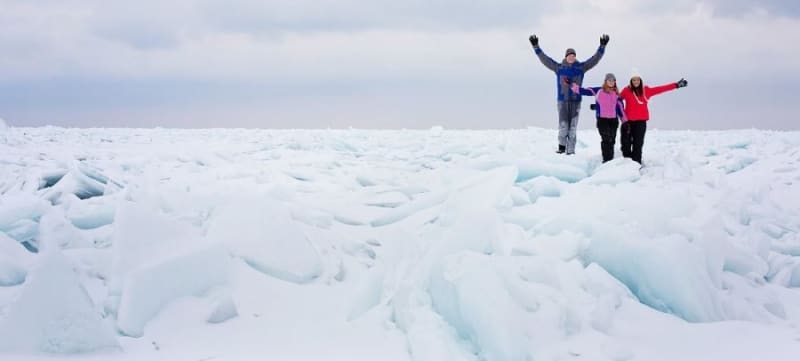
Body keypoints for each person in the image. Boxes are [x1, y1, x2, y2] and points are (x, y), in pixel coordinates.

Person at [529, 34, 610, 155]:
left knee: (572, 128)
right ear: (566, 57)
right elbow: (545, 59)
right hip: (562, 101)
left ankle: (571, 151)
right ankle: (561, 148)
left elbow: (594, 59)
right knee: (563, 126)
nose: (571, 57)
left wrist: (602, 47)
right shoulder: (559, 68)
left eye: (573, 55)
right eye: (569, 55)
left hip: (576, 101)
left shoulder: (581, 67)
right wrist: (536, 47)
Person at [618, 70, 688, 164]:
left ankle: (636, 164)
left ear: (640, 80)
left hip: (641, 123)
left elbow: (661, 89)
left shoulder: (646, 90)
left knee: (637, 145)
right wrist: (599, 106)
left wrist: (676, 85)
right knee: (625, 145)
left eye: (637, 80)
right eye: (634, 80)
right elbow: (616, 100)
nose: (636, 82)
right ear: (631, 81)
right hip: (627, 123)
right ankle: (627, 164)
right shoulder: (626, 90)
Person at [570, 73, 626, 162]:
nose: (611, 82)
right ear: (606, 81)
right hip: (602, 120)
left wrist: (625, 122)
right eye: (609, 80)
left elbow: (621, 109)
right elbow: (585, 91)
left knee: (612, 140)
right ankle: (606, 160)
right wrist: (572, 85)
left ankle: (610, 160)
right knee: (606, 139)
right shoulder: (599, 90)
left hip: (613, 120)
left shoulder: (617, 94)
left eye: (613, 80)